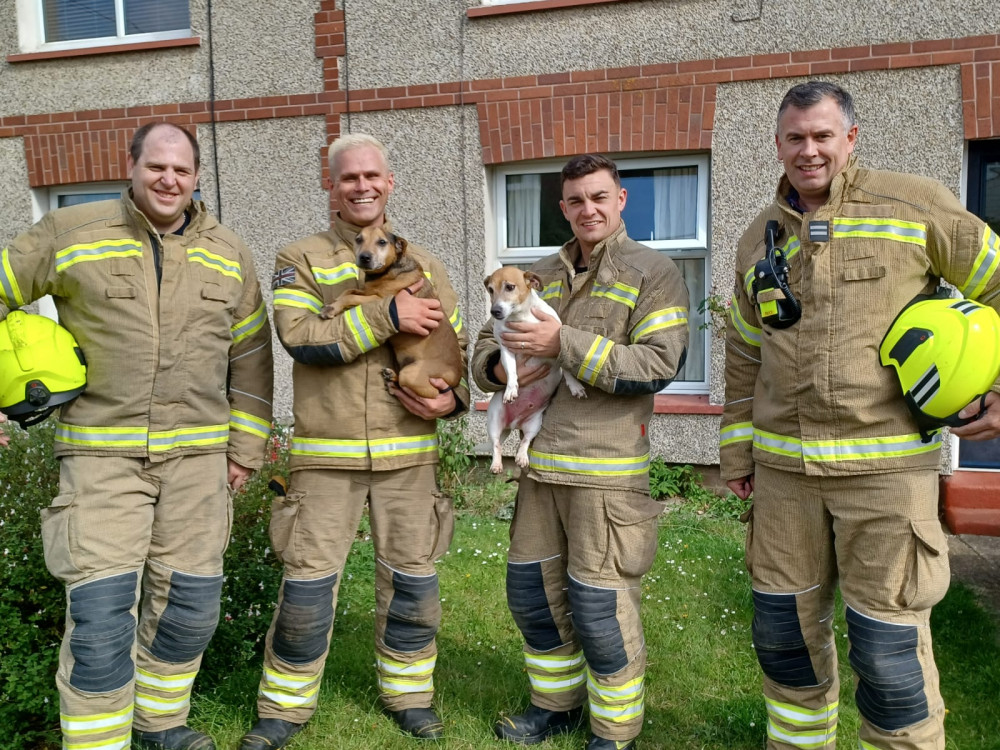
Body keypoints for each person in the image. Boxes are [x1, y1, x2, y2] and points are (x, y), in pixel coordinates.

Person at [720, 80, 1000, 750]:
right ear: (778, 144)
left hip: (886, 477)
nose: (809, 151)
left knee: (889, 651)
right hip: (785, 477)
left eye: (822, 135)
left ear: (851, 137)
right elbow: (742, 351)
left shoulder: (913, 205)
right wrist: (736, 455)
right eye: (795, 138)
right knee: (785, 640)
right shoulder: (756, 241)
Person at [0, 122, 275, 750]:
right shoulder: (72, 233)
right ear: (132, 166)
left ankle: (159, 726)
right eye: (156, 166)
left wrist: (246, 448)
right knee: (100, 614)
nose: (169, 180)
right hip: (102, 457)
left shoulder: (229, 252)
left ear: (197, 175)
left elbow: (252, 355)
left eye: (181, 169)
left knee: (190, 607)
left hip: (199, 461)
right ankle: (98, 742)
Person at [239, 132, 469, 749]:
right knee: (308, 586)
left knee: (413, 581)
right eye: (348, 178)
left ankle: (410, 696)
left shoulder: (426, 264)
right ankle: (283, 709)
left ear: (389, 182)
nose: (362, 186)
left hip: (409, 454)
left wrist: (454, 399)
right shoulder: (301, 258)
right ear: (331, 184)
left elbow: (456, 348)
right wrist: (387, 318)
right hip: (326, 457)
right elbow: (300, 336)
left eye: (372, 176)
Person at [472, 154, 690, 750]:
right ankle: (554, 706)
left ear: (621, 200)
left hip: (605, 471)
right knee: (533, 593)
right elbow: (480, 352)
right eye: (575, 200)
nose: (587, 209)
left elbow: (659, 363)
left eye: (599, 197)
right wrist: (497, 366)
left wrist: (560, 342)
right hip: (538, 466)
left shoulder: (654, 273)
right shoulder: (536, 271)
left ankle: (615, 729)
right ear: (562, 206)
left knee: (600, 604)